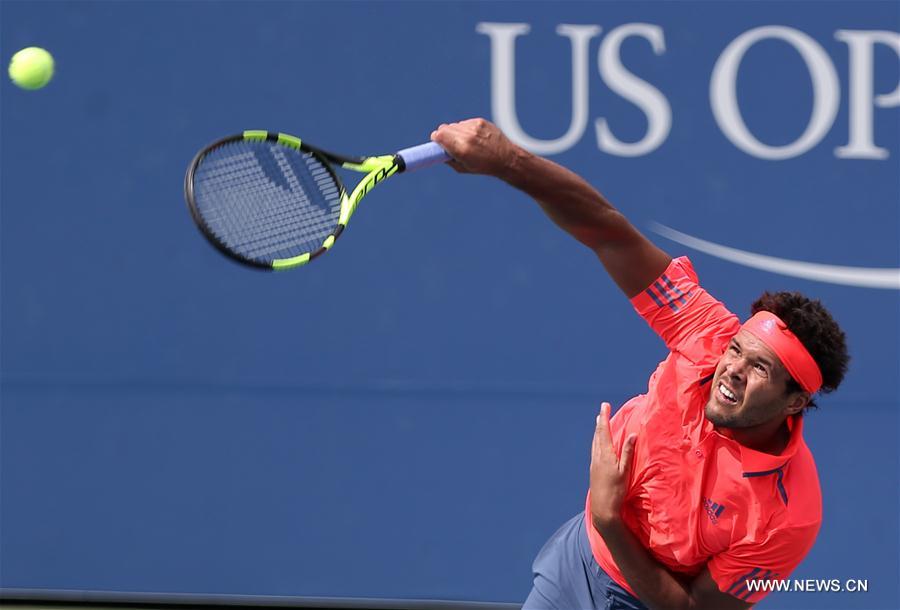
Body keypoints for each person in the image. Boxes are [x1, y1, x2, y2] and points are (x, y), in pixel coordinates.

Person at [431, 119, 849, 610]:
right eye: (736, 349)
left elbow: (693, 609)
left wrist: (610, 519)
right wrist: (507, 161)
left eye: (760, 368)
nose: (731, 369)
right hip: (576, 561)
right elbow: (609, 233)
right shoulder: (704, 332)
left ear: (796, 400)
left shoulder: (789, 514)